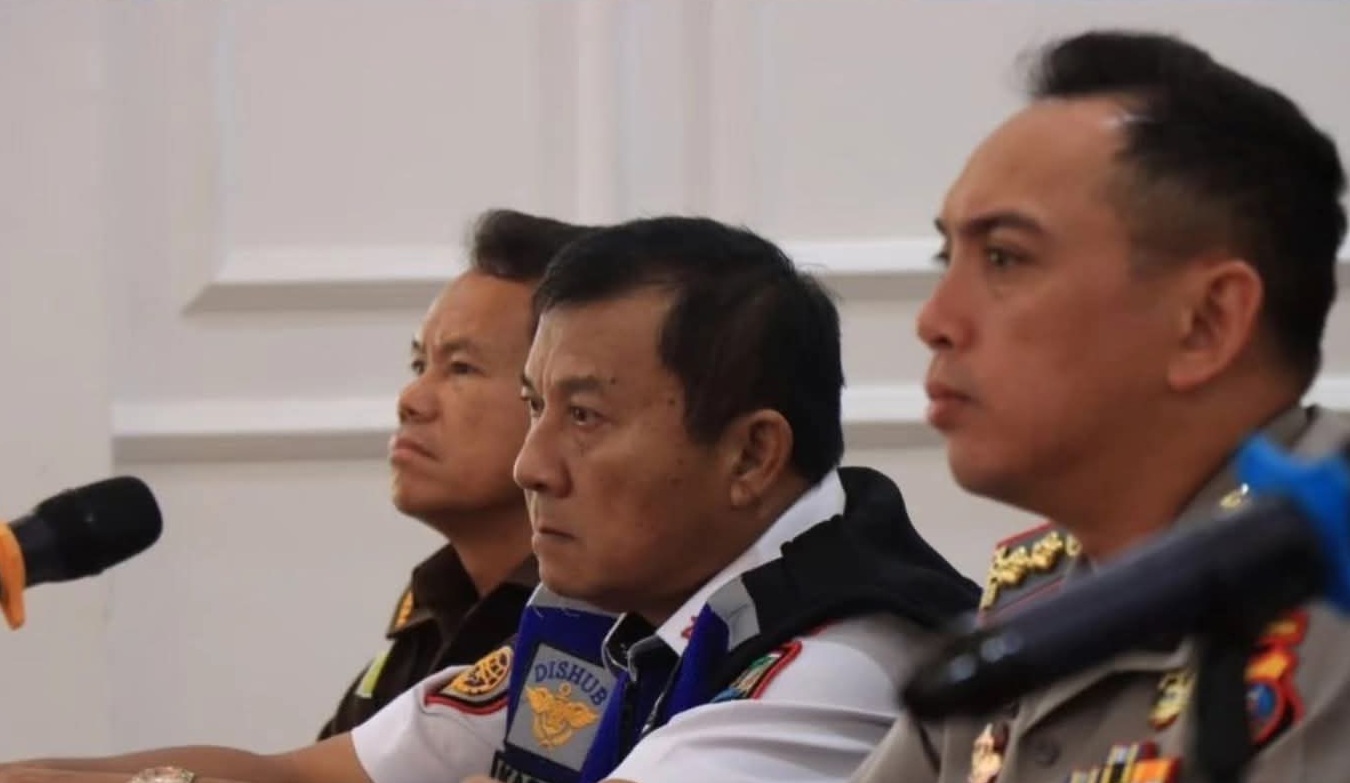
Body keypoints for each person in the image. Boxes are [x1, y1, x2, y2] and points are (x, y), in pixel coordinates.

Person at [4, 216, 979, 783]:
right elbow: (306, 777)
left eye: (584, 417)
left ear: (753, 454)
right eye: (533, 407)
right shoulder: (622, 617)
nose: (532, 464)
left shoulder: (832, 667)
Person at [851, 29, 1348, 783]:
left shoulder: (1327, 598)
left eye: (1005, 258)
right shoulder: (1033, 602)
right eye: (946, 258)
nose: (934, 320)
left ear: (1206, 323)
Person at [317, 209, 598, 739]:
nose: (411, 399)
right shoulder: (434, 610)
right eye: (419, 365)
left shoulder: (603, 629)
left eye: (461, 368)